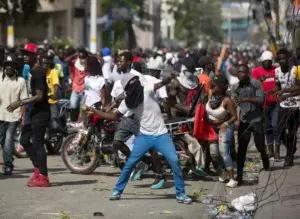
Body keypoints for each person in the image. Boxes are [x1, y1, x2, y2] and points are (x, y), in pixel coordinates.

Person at [87, 73, 192, 204]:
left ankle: (181, 194)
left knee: (175, 161)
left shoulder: (147, 90)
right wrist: (96, 112)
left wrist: (169, 77)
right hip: (144, 137)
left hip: (161, 135)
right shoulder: (127, 102)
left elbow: (161, 83)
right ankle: (117, 190)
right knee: (130, 164)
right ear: (127, 89)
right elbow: (114, 116)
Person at [7, 44, 50, 187]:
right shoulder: (32, 70)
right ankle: (38, 168)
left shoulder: (38, 71)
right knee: (24, 140)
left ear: (34, 55)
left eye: (27, 53)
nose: (24, 56)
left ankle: (43, 177)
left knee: (38, 142)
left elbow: (39, 96)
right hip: (34, 111)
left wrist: (19, 103)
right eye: (23, 53)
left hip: (41, 112)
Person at [231, 64, 269, 185]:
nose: (239, 74)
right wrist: (236, 117)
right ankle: (240, 176)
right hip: (244, 121)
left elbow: (260, 100)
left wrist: (245, 99)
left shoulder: (256, 83)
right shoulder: (235, 87)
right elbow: (234, 103)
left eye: (242, 72)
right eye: (238, 72)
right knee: (241, 149)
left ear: (248, 73)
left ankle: (265, 157)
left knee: (260, 146)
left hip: (257, 119)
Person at [205, 75, 238, 188]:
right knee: (214, 153)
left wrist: (225, 123)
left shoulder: (227, 101)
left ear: (222, 87)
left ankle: (232, 179)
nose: (212, 85)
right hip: (212, 129)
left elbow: (234, 117)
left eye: (215, 84)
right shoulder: (209, 96)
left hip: (224, 127)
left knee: (224, 152)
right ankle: (223, 172)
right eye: (212, 84)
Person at [270, 48, 300, 167]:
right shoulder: (277, 71)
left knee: (291, 133)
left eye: (284, 58)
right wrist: (271, 91)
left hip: (295, 105)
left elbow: (299, 88)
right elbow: (277, 86)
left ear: (288, 59)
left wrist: (285, 91)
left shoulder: (295, 70)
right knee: (280, 132)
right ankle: (291, 149)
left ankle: (289, 157)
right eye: (280, 59)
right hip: (282, 105)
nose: (282, 61)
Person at [0, 54, 28, 175]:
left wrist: (23, 117)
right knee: (3, 140)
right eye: (7, 65)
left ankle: (8, 165)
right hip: (1, 115)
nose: (9, 68)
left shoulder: (21, 81)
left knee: (8, 139)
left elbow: (24, 101)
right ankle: (9, 158)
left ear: (15, 67)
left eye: (11, 65)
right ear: (4, 67)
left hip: (14, 117)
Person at [252, 51, 279, 160]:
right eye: (265, 62)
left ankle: (277, 151)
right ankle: (270, 151)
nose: (267, 64)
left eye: (269, 62)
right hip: (264, 104)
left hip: (276, 102)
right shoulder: (256, 71)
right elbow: (252, 85)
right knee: (267, 127)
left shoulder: (276, 70)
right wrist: (260, 80)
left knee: (276, 125)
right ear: (262, 62)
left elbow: (279, 85)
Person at [69, 48, 88, 123]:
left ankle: (80, 122)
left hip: (84, 89)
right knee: (73, 105)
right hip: (75, 88)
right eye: (80, 57)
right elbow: (67, 62)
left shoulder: (89, 66)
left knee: (82, 107)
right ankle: (73, 120)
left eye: (83, 58)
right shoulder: (75, 63)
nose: (81, 59)